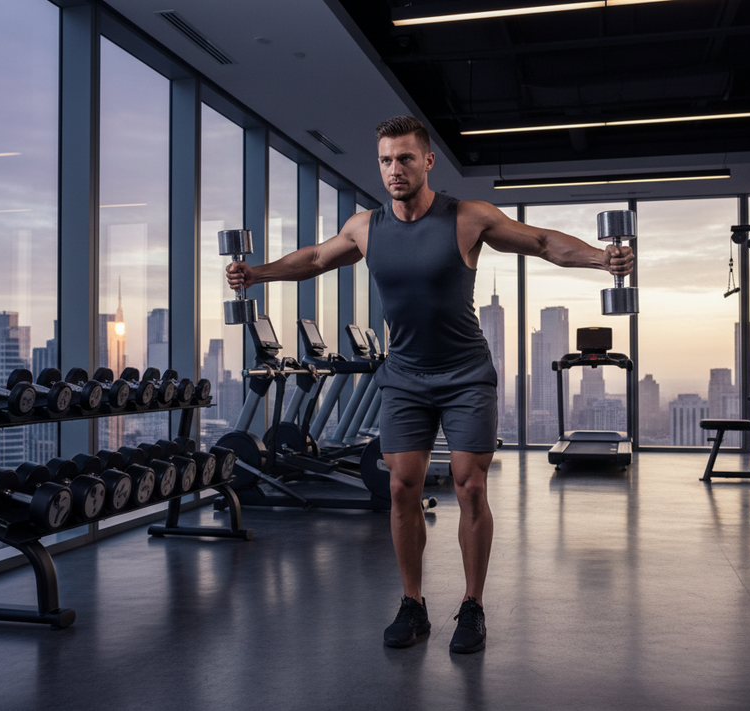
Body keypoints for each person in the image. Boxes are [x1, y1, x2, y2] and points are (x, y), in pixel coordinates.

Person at [226, 115, 634, 654]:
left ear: (427, 161)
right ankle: (413, 603)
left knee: (469, 485)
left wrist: (601, 258)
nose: (394, 169)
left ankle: (472, 606)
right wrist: (259, 273)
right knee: (400, 488)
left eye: (405, 159)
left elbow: (540, 242)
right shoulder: (366, 227)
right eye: (386, 161)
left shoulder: (467, 218)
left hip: (466, 374)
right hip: (406, 376)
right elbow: (316, 259)